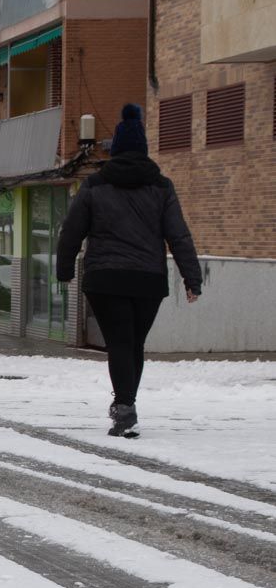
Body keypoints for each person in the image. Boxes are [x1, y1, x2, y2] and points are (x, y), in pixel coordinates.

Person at [57, 103, 202, 437]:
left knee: (120, 341)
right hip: (148, 281)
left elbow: (71, 230)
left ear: (116, 149)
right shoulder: (162, 186)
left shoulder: (95, 185)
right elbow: (178, 234)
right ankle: (126, 405)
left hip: (105, 278)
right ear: (144, 149)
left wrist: (64, 269)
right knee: (134, 343)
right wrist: (191, 278)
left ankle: (125, 408)